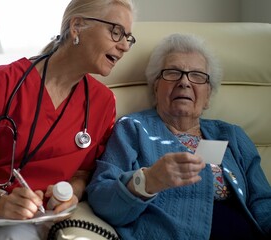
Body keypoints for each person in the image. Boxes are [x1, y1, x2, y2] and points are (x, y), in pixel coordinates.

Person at [0, 0, 136, 239]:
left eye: (128, 38)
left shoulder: (103, 103)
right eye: (116, 32)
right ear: (78, 26)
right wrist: (0, 202)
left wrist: (71, 194)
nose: (124, 46)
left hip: (32, 218)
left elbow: (82, 173)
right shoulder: (3, 81)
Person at [86, 33, 271, 240]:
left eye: (197, 76)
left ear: (208, 95)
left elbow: (263, 201)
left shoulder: (232, 135)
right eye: (173, 73)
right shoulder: (133, 128)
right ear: (156, 88)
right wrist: (148, 181)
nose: (184, 82)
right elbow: (101, 198)